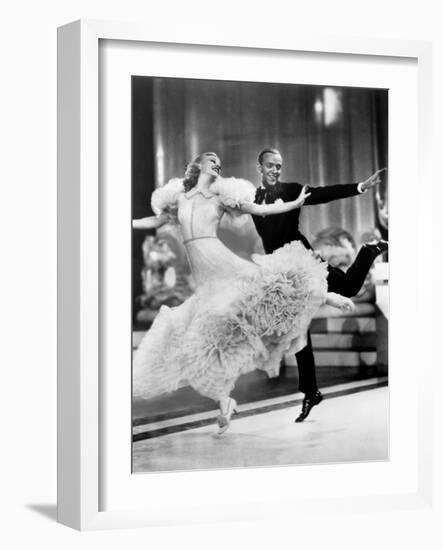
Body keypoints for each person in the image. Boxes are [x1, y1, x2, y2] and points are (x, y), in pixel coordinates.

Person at [133, 152, 355, 435]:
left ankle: (324, 295)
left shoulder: (220, 198)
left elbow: (259, 210)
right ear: (199, 164)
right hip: (204, 278)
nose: (217, 163)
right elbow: (154, 221)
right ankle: (225, 402)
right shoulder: (180, 199)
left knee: (267, 285)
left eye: (219, 162)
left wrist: (294, 203)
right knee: (205, 341)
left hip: (221, 262)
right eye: (211, 159)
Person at [252, 147, 388, 422]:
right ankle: (311, 391)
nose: (276, 170)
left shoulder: (291, 190)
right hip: (280, 270)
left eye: (279, 166)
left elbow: (324, 193)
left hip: (303, 262)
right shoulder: (253, 198)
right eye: (271, 166)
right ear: (260, 168)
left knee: (348, 288)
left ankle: (370, 251)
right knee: (297, 327)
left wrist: (360, 187)